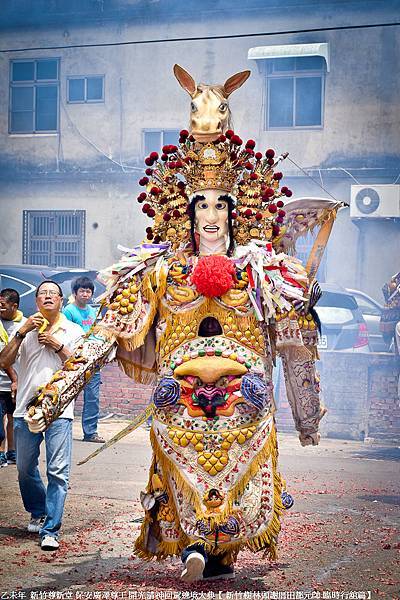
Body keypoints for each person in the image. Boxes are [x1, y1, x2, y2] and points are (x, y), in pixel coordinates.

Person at [25, 129, 337, 578]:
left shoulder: (262, 269)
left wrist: (307, 410)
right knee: (187, 468)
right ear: (186, 214)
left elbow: (293, 339)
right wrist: (58, 390)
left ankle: (219, 552)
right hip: (180, 397)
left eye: (220, 205)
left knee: (238, 472)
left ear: (235, 212)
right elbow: (108, 332)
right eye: (202, 205)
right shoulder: (159, 270)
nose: (211, 215)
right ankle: (195, 542)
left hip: (243, 399)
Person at [0, 281, 82, 551]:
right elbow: (3, 361)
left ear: (61, 301)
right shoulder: (25, 329)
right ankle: (38, 510)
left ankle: (50, 530)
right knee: (24, 469)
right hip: (25, 409)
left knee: (58, 472)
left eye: (52, 294)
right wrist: (22, 333)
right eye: (42, 294)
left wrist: (58, 346)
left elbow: (81, 367)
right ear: (36, 301)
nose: (47, 297)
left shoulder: (73, 330)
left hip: (59, 410)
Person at [63, 276, 104, 443]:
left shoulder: (92, 311)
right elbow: (65, 334)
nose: (86, 294)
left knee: (92, 397)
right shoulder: (69, 311)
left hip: (93, 359)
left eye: (89, 291)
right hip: (74, 360)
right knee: (67, 396)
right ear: (75, 293)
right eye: (82, 291)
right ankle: (61, 430)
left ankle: (90, 432)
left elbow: (96, 332)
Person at [0, 288, 27, 467]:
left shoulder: (25, 325)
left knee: (13, 418)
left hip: (19, 384)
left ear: (14, 306)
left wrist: (18, 380)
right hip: (1, 383)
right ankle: (1, 452)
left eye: (2, 305)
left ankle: (12, 452)